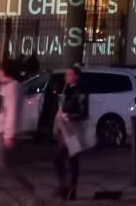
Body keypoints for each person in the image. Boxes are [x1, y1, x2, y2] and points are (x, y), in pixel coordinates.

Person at [0, 61, 34, 204]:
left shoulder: (14, 88)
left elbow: (12, 113)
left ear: (5, 72)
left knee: (5, 168)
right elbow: (0, 110)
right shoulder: (3, 87)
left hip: (2, 133)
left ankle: (28, 192)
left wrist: (9, 135)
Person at [53, 65, 90, 200]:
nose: (66, 77)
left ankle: (68, 189)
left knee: (66, 159)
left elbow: (83, 112)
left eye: (69, 74)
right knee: (68, 160)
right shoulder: (67, 89)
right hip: (66, 129)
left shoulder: (80, 91)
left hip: (73, 130)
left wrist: (68, 116)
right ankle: (67, 189)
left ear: (76, 76)